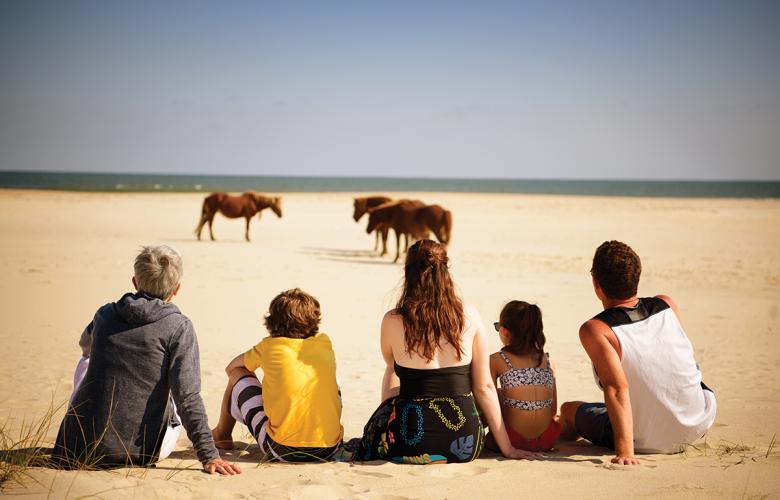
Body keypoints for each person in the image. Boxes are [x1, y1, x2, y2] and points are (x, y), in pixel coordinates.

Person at [52, 245, 240, 475]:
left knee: (88, 360)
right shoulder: (178, 327)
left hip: (76, 447)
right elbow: (187, 397)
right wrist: (209, 455)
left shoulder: (104, 314)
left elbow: (85, 345)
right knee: (176, 383)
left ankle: (87, 427)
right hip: (137, 453)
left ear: (135, 282)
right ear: (177, 289)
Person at [355, 239, 541, 464]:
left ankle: (390, 422)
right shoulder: (469, 315)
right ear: (445, 271)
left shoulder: (393, 320)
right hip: (464, 443)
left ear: (408, 273)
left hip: (407, 444)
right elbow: (484, 387)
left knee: (392, 369)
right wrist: (507, 447)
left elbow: (392, 364)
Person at [560, 240, 717, 465]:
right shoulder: (667, 304)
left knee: (568, 412)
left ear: (596, 284)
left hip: (648, 439)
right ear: (637, 277)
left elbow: (616, 388)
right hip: (698, 423)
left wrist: (625, 452)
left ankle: (558, 439)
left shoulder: (597, 330)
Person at [211, 288, 343, 462]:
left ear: (271, 321)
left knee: (238, 375)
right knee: (329, 378)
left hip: (281, 448)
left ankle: (222, 434)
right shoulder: (324, 343)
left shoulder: (270, 346)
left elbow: (231, 368)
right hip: (329, 448)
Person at [487, 301, 561, 452]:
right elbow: (552, 410)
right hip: (547, 439)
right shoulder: (548, 360)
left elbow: (488, 402)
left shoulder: (497, 360)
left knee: (494, 393)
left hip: (513, 439)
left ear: (504, 331)